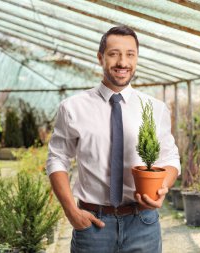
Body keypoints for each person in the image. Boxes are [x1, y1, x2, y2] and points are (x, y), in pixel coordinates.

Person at [46, 25, 181, 253]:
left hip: (143, 224)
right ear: (100, 58)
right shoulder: (72, 108)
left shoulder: (155, 108)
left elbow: (170, 158)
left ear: (137, 58)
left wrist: (162, 188)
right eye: (114, 54)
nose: (122, 62)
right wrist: (71, 211)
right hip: (93, 225)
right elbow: (57, 159)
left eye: (130, 54)